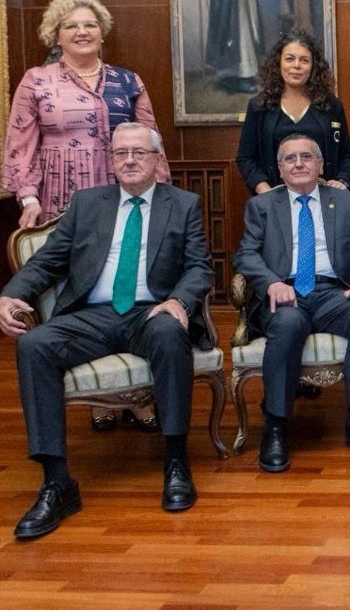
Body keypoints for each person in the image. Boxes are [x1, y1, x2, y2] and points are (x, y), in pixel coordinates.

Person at [0, 123, 213, 540]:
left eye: (139, 153)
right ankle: (57, 482)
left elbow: (199, 267)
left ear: (157, 159)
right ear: (110, 160)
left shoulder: (183, 204)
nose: (129, 160)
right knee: (35, 345)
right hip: (92, 314)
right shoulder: (87, 204)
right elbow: (48, 263)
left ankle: (175, 461)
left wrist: (179, 301)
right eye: (120, 153)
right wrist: (10, 294)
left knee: (171, 335)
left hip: (150, 312)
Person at [3, 0, 169, 433]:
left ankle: (138, 395)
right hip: (64, 195)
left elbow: (151, 140)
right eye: (72, 25)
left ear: (102, 33)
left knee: (130, 282)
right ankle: (104, 400)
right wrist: (28, 197)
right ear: (56, 35)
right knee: (82, 289)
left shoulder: (127, 81)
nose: (82, 31)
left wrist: (164, 200)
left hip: (124, 189)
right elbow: (20, 142)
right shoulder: (37, 80)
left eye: (90, 24)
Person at [233, 134, 350, 473]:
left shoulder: (346, 204)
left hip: (335, 293)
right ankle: (275, 427)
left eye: (306, 157)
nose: (299, 163)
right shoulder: (262, 206)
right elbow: (245, 254)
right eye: (290, 159)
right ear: (279, 169)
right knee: (288, 324)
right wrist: (272, 282)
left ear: (320, 165)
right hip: (285, 293)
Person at [236, 29, 350, 194]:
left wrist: (342, 182)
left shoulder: (331, 106)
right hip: (274, 199)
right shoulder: (259, 106)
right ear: (279, 63)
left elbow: (346, 155)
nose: (296, 65)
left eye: (304, 60)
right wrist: (266, 192)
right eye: (290, 59)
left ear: (314, 66)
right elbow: (245, 158)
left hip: (324, 198)